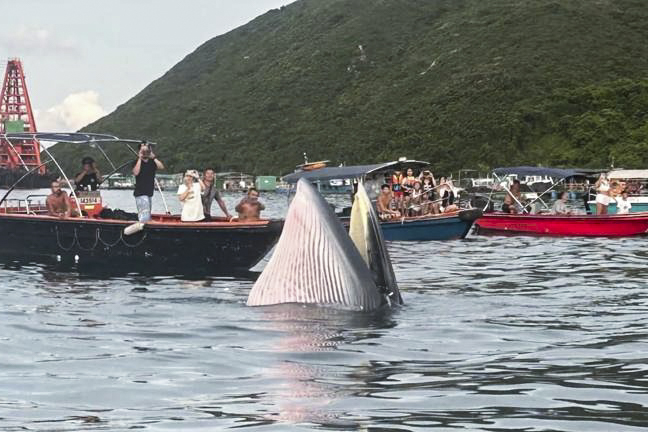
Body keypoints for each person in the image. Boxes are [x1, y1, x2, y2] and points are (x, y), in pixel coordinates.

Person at [132, 142, 164, 223]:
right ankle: (143, 231)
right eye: (143, 150)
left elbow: (161, 167)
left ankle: (145, 228)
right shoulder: (136, 162)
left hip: (149, 192)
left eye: (147, 150)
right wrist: (140, 158)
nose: (145, 152)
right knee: (145, 218)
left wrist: (153, 157)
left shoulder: (152, 162)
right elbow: (135, 172)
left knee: (147, 216)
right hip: (140, 193)